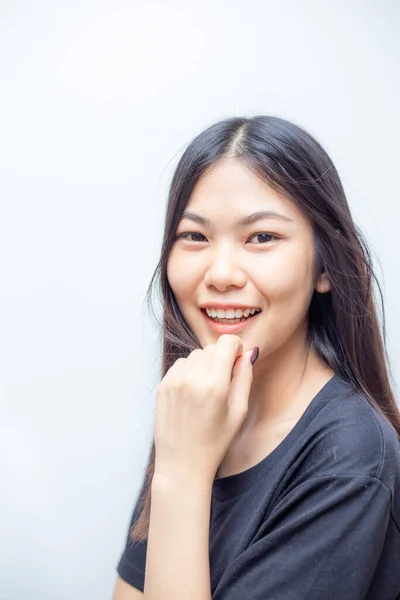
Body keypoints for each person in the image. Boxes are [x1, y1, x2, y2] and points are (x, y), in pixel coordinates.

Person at [112, 115, 400, 600]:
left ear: (325, 267)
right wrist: (182, 464)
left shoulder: (351, 460)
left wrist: (183, 475)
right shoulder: (196, 405)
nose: (221, 273)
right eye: (195, 237)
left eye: (262, 237)